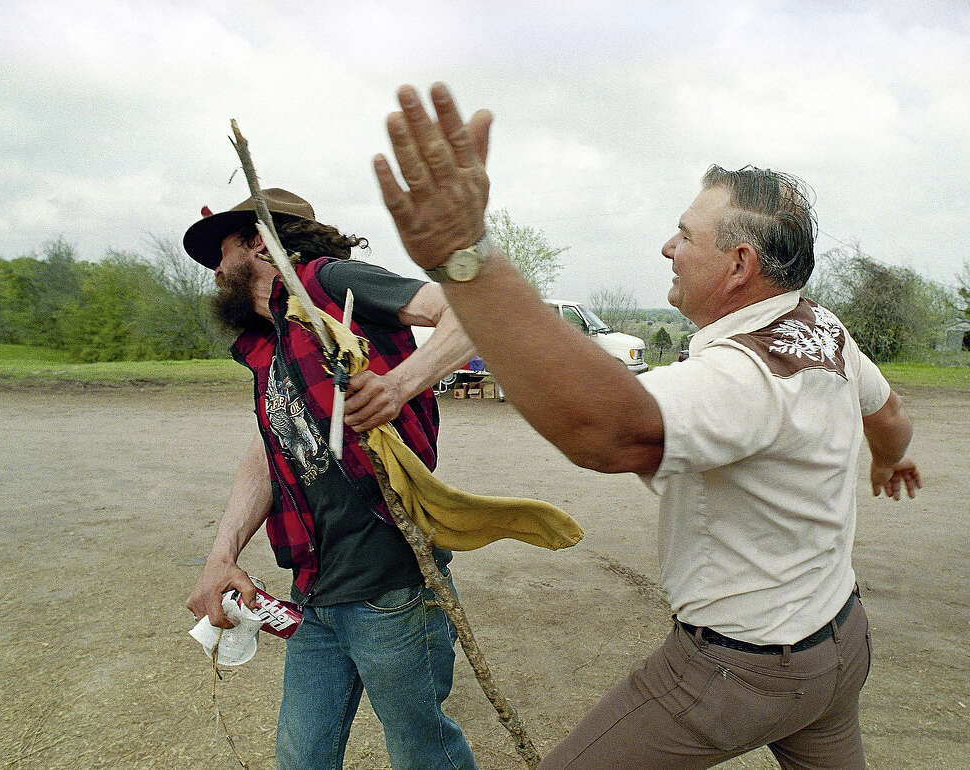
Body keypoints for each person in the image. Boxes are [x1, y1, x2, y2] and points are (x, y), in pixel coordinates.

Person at [370, 83, 922, 769]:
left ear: (739, 265)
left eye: (685, 235)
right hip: (838, 643)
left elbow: (609, 432)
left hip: (743, 669)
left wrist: (467, 258)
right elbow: (890, 415)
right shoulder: (822, 328)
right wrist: (889, 459)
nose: (667, 247)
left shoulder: (739, 375)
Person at [181, 188, 480, 769]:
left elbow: (468, 314)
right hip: (316, 591)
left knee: (423, 752)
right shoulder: (267, 343)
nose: (216, 272)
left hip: (392, 587)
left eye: (222, 253)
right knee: (301, 757)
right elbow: (271, 449)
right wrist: (222, 555)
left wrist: (397, 386)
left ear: (260, 243)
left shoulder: (326, 282)